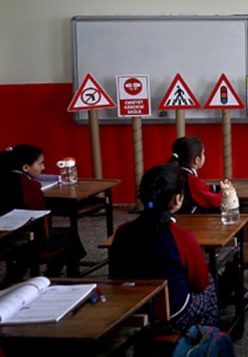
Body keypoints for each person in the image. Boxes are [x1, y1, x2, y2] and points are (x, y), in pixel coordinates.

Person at [109, 164, 218, 334]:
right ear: (177, 199)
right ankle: (207, 334)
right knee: (209, 281)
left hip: (133, 312)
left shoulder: (122, 232)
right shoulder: (183, 237)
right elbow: (200, 283)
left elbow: (115, 278)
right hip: (173, 316)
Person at [0, 144, 86, 283]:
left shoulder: (5, 179)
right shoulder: (29, 186)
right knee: (69, 235)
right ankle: (63, 275)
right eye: (40, 164)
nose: (43, 167)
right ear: (26, 167)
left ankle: (44, 274)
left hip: (8, 235)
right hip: (29, 239)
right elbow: (41, 214)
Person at [168, 135, 231, 214]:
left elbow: (202, 189)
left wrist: (218, 188)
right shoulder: (190, 179)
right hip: (189, 218)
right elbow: (213, 201)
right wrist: (225, 192)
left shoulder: (173, 173)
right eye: (203, 153)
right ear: (197, 160)